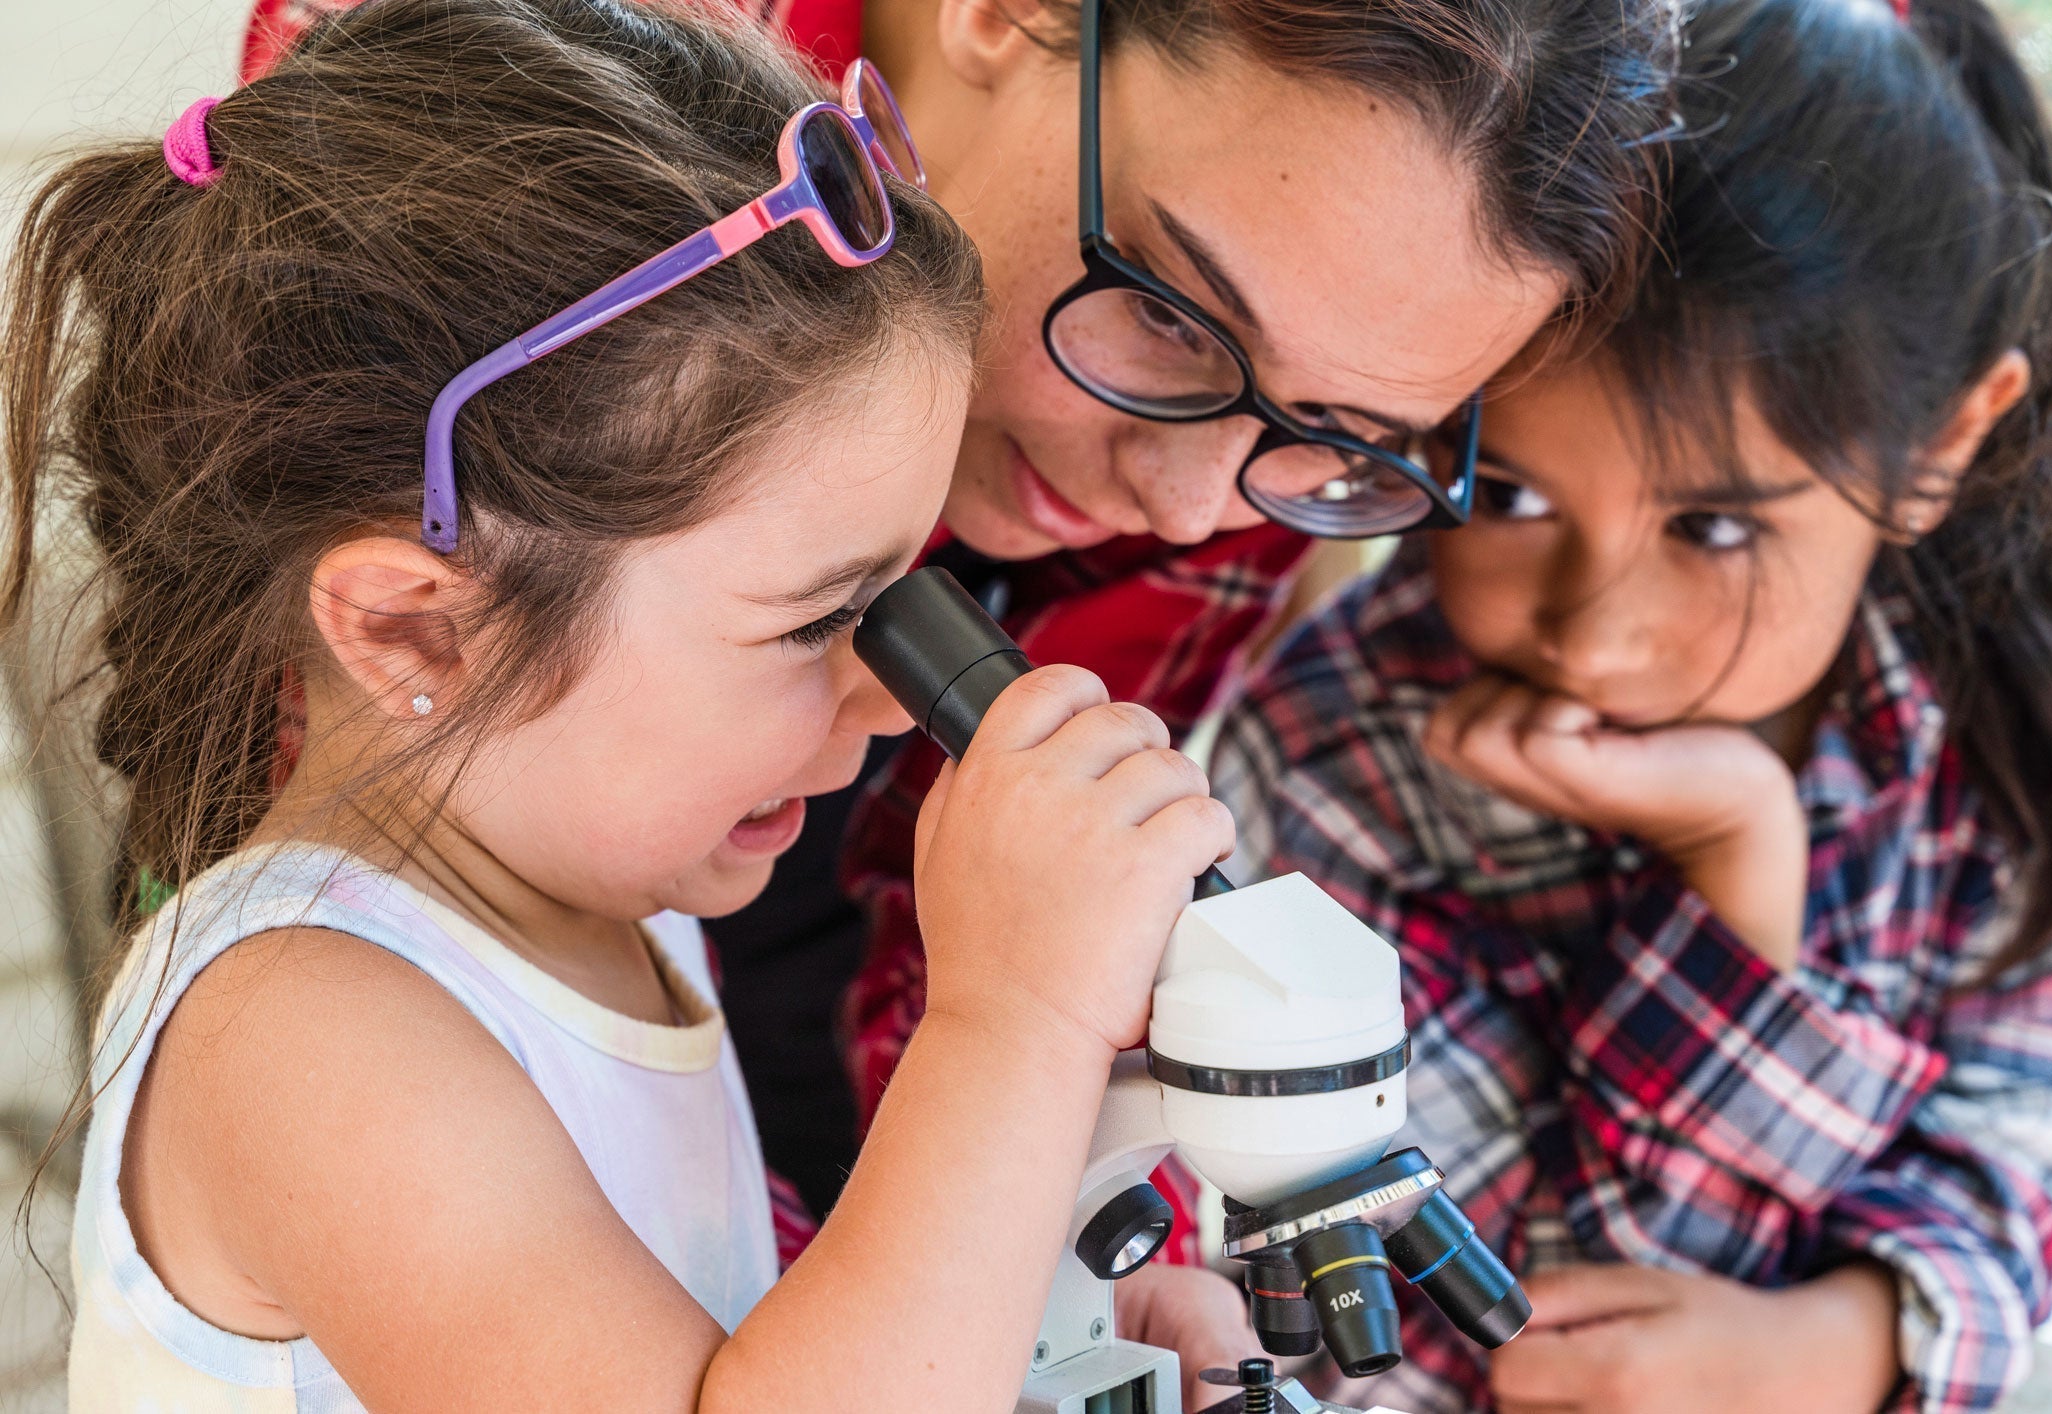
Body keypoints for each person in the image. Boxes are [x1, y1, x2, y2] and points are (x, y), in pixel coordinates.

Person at [239, 0, 1679, 1238]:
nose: (1186, 505)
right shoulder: (531, 107)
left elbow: (975, 929)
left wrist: (1074, 1245)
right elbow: (401, 803)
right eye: (1175, 318)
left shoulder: (1222, 467)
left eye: (1341, 439)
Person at [6, 2, 1242, 1407]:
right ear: (416, 626)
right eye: (821, 618)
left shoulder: (611, 894)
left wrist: (1036, 1314)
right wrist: (1012, 1018)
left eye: (898, 601)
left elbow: (726, 1362)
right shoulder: (304, 1031)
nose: (888, 702)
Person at [1211, 0, 2052, 1408]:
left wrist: (1859, 1336)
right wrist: (1737, 884)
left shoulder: (2019, 700)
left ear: (1944, 443)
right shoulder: (1337, 754)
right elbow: (1522, 1342)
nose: (1597, 631)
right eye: (1505, 494)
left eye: (1713, 526)